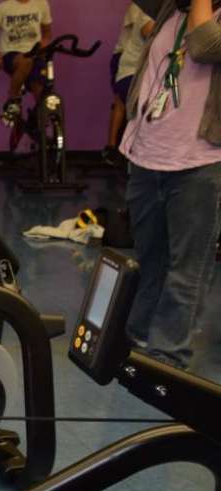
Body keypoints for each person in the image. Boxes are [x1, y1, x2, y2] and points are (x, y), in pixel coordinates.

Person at [121, 0, 221, 370]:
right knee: (150, 260)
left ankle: (167, 358)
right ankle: (138, 337)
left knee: (186, 270)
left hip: (199, 163)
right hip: (148, 156)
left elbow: (205, 44)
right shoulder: (170, 10)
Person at [0, 0, 54, 127]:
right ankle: (13, 100)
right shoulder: (3, 7)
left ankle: (39, 127)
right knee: (25, 62)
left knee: (41, 91)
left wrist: (45, 43)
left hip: (34, 54)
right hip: (11, 54)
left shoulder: (41, 4)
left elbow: (47, 33)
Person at [108, 2, 157, 158]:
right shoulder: (144, 9)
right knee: (128, 107)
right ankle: (115, 148)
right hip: (131, 69)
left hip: (141, 69)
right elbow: (148, 32)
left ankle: (116, 149)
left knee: (123, 106)